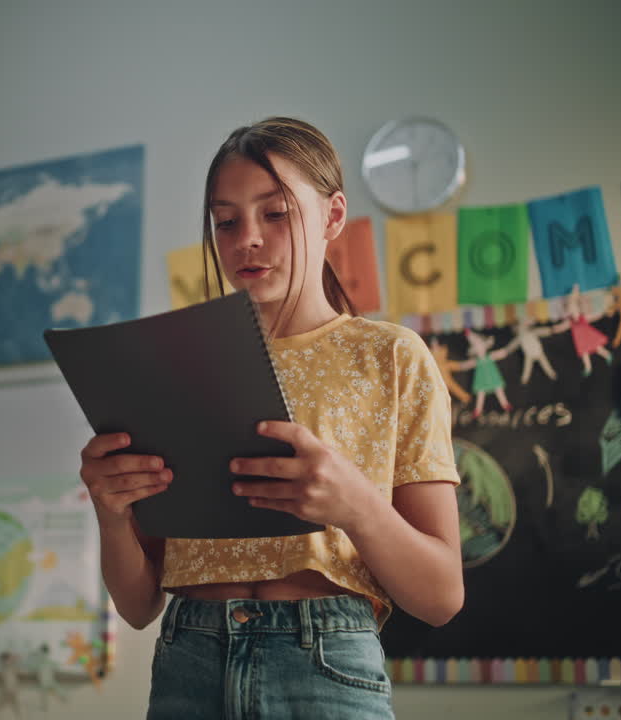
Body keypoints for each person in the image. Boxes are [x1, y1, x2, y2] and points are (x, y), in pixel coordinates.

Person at [78, 117, 463, 719]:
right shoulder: (176, 365)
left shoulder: (389, 356)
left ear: (333, 217)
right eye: (225, 221)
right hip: (186, 658)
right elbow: (137, 604)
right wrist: (110, 512)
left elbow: (441, 596)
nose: (246, 239)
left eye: (275, 213)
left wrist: (355, 505)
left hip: (327, 662)